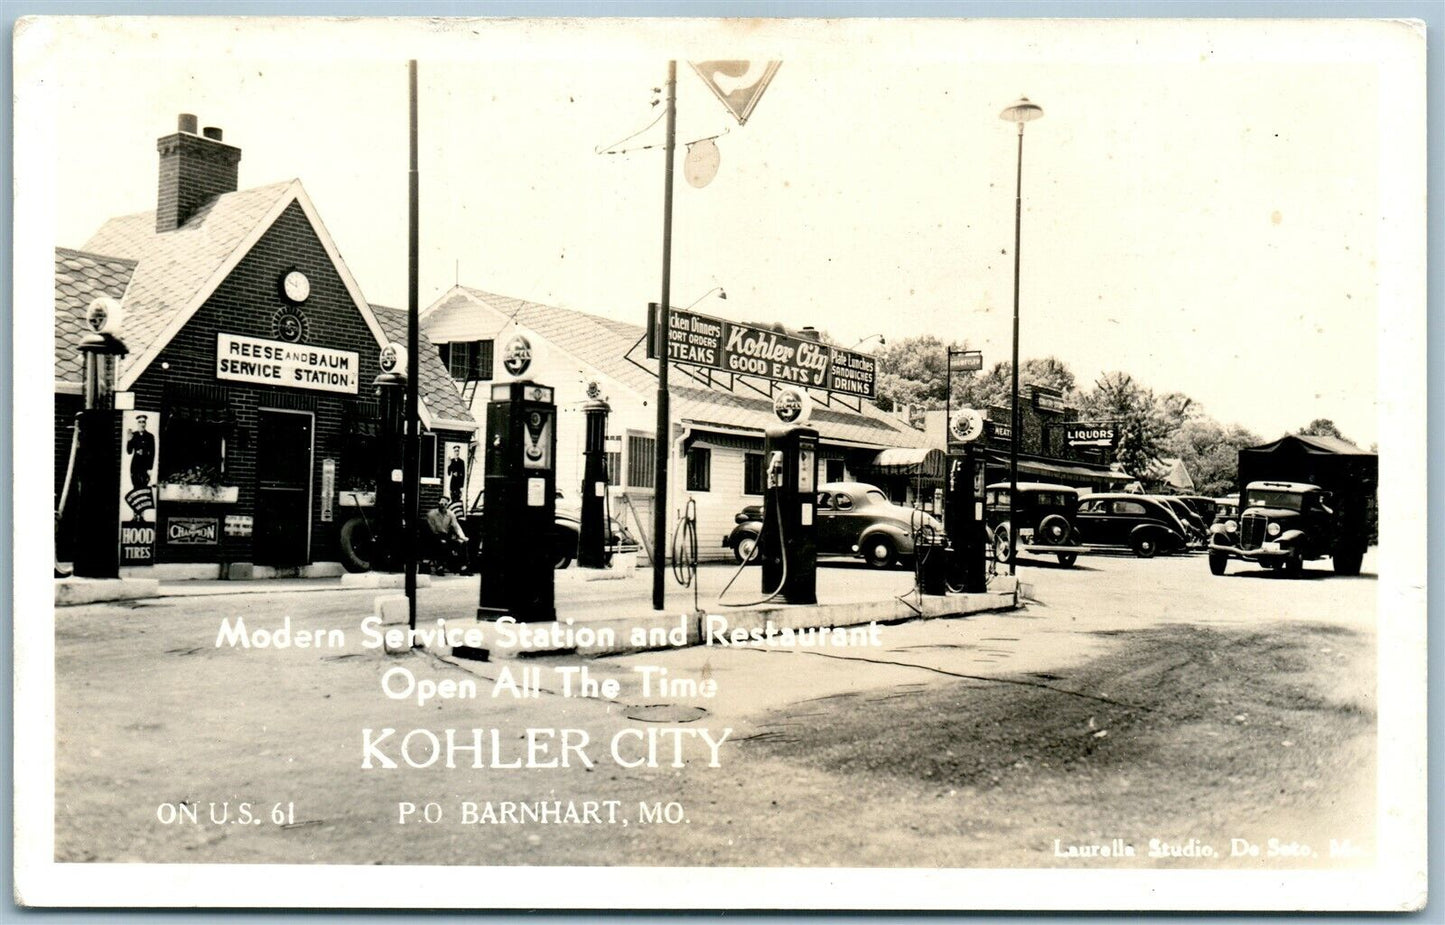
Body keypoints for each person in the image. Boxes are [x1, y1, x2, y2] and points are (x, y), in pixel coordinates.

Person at [424, 495, 469, 574]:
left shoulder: (451, 514)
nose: (443, 505)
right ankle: (440, 567)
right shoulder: (431, 514)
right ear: (438, 503)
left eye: (445, 504)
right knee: (441, 543)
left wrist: (462, 537)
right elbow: (432, 530)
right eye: (441, 503)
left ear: (447, 505)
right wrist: (441, 538)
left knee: (461, 543)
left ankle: (463, 568)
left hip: (446, 536)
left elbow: (456, 526)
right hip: (434, 536)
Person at [126, 414, 156, 490]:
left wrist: (150, 468)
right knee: (136, 487)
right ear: (137, 423)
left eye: (143, 422)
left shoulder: (150, 436)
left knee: (144, 487)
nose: (142, 424)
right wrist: (129, 440)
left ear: (146, 423)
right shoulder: (134, 435)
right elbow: (129, 452)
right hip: (135, 464)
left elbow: (152, 453)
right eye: (140, 422)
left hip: (145, 465)